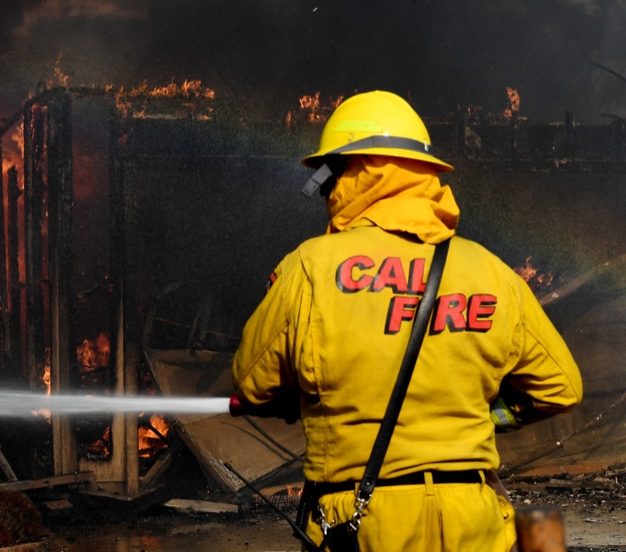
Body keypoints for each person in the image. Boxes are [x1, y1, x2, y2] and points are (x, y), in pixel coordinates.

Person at [231, 90, 583, 552]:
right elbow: (562, 387)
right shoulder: (491, 272)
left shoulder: (309, 270)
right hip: (473, 522)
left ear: (342, 174)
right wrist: (491, 415)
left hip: (361, 525)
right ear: (427, 176)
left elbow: (252, 384)